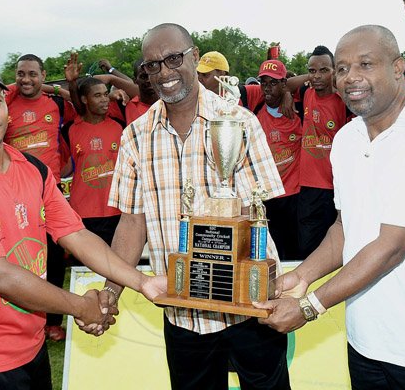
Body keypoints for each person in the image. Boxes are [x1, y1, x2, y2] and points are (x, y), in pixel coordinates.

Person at [255, 24, 405, 389]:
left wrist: (309, 306)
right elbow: (345, 229)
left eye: (365, 64)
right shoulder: (347, 139)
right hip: (365, 345)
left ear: (398, 68)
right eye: (343, 68)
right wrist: (301, 277)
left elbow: (393, 245)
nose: (351, 77)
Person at [0, 60, 165, 390]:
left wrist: (141, 283)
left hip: (30, 347)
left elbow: (74, 234)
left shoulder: (32, 168)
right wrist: (80, 307)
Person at [105, 23, 290, 389]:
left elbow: (260, 212)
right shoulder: (134, 137)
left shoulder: (239, 122)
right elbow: (131, 225)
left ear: (194, 56)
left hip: (249, 309)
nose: (165, 72)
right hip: (183, 313)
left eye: (174, 58)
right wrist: (111, 292)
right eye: (152, 65)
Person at [5, 53, 77, 341]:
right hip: (14, 193)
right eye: (21, 73)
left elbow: (80, 107)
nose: (26, 79)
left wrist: (61, 89)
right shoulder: (6, 103)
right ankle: (21, 321)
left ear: (44, 75)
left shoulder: (57, 104)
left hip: (50, 192)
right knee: (21, 256)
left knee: (54, 257)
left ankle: (53, 321)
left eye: (32, 74)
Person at [288, 45, 353, 259]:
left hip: (334, 186)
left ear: (334, 71)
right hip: (307, 186)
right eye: (312, 70)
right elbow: (287, 85)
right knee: (306, 246)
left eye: (324, 70)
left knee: (334, 247)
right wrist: (310, 74)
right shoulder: (306, 93)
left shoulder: (344, 102)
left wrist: (339, 82)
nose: (317, 76)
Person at [61, 75, 123, 246]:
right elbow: (63, 167)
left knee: (117, 266)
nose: (104, 100)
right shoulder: (70, 129)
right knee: (85, 269)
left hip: (116, 210)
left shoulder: (120, 125)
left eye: (105, 94)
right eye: (97, 96)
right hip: (83, 213)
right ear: (84, 99)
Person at [256, 59, 302, 260]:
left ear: (284, 84)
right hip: (267, 198)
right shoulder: (254, 112)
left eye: (273, 83)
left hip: (294, 196)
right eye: (264, 83)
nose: (267, 88)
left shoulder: (299, 111)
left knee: (293, 254)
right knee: (271, 256)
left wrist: (288, 94)